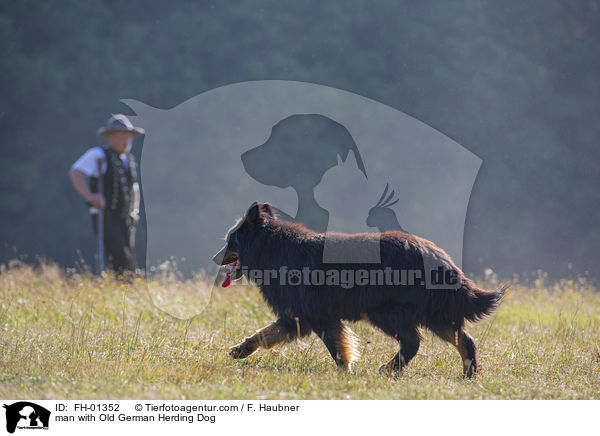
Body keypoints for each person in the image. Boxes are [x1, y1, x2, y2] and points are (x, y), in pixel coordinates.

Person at [69, 114, 144, 274]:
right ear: (111, 137)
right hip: (105, 214)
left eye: (127, 136)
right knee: (118, 253)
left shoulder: (128, 160)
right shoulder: (99, 155)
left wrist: (135, 211)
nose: (125, 140)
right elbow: (76, 172)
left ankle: (127, 285)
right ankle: (122, 284)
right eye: (121, 136)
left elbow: (134, 188)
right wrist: (90, 196)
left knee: (128, 252)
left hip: (125, 216)